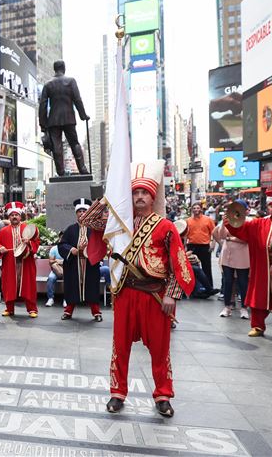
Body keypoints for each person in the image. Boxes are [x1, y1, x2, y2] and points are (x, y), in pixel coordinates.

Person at [81, 162, 195, 417]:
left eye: (144, 193)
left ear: (153, 197)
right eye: (135, 192)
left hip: (155, 295)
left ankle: (163, 394)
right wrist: (109, 197)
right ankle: (117, 392)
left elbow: (179, 263)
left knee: (160, 348)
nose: (139, 197)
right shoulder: (120, 224)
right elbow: (87, 219)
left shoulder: (165, 226)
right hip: (124, 292)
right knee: (120, 347)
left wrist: (171, 295)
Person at [224, 190, 272, 342]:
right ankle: (257, 326)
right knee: (259, 296)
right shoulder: (257, 224)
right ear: (268, 207)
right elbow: (239, 229)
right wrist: (230, 219)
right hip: (263, 268)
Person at [38, 60, 90, 176]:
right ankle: (82, 169)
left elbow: (43, 105)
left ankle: (60, 172)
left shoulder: (48, 84)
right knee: (74, 143)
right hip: (69, 118)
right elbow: (77, 99)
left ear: (54, 69)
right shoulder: (71, 81)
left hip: (53, 120)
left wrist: (43, 124)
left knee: (57, 147)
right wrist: (83, 115)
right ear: (64, 68)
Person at [0, 202, 40, 318]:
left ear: (21, 216)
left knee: (28, 285)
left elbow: (36, 242)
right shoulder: (3, 231)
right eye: (12, 215)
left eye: (16, 215)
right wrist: (0, 248)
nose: (14, 217)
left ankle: (32, 309)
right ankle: (9, 308)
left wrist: (28, 242)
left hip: (26, 262)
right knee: (8, 285)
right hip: (9, 263)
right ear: (9, 217)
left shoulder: (28, 228)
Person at [58, 199, 103, 322]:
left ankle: (96, 312)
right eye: (79, 211)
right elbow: (62, 245)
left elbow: (100, 244)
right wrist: (71, 249)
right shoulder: (70, 229)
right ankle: (68, 311)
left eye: (84, 211)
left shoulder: (94, 229)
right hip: (74, 264)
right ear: (76, 213)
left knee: (92, 288)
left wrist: (91, 251)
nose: (82, 213)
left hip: (90, 264)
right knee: (72, 288)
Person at [213, 204, 250, 319]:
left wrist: (230, 238)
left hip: (243, 256)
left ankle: (244, 308)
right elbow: (222, 235)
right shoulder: (227, 220)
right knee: (228, 281)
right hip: (227, 255)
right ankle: (227, 307)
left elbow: (245, 238)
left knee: (243, 282)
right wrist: (223, 224)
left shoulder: (248, 221)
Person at [185, 202, 216, 290]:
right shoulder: (188, 221)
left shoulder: (208, 220)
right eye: (194, 208)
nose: (196, 210)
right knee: (192, 268)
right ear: (192, 210)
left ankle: (209, 287)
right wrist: (185, 246)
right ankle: (195, 287)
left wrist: (213, 244)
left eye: (197, 208)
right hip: (192, 246)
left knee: (207, 267)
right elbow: (185, 235)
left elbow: (214, 232)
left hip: (204, 246)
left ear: (201, 209)